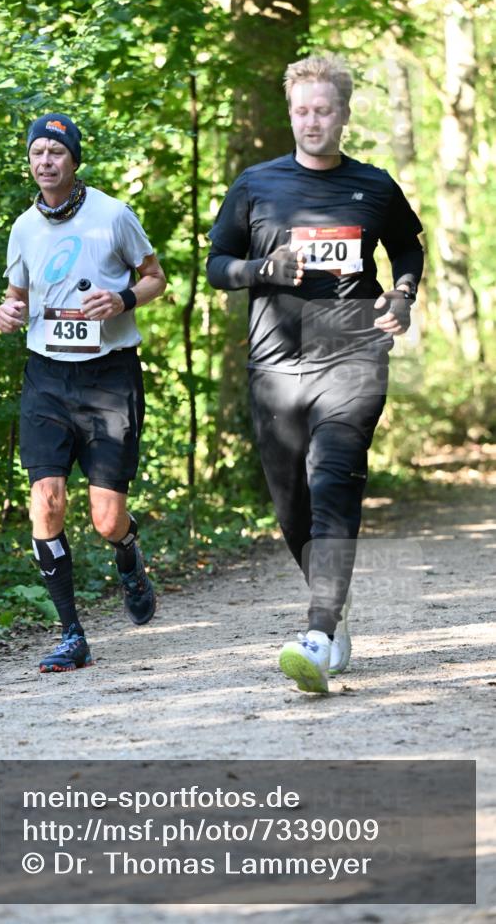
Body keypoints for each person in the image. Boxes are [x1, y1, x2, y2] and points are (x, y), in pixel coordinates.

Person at [207, 55, 423, 694]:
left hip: (352, 354)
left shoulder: (375, 186)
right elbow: (218, 263)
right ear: (291, 114)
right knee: (292, 506)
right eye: (301, 110)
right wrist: (259, 271)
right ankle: (333, 604)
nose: (311, 121)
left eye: (323, 110)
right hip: (276, 362)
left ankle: (319, 629)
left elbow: (407, 245)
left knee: (333, 478)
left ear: (344, 115)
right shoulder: (256, 185)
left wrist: (403, 295)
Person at [0, 113, 166, 672]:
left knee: (105, 519)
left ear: (74, 160)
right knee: (46, 500)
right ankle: (72, 633)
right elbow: (16, 297)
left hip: (108, 375)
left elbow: (155, 277)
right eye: (37, 152)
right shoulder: (22, 227)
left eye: (56, 152)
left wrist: (123, 300)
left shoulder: (113, 216)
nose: (46, 161)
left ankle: (128, 553)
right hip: (47, 376)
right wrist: (9, 313)